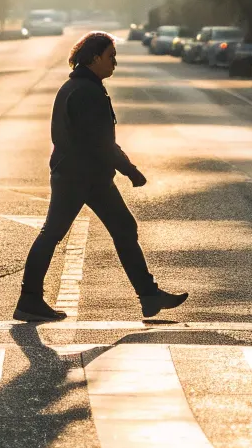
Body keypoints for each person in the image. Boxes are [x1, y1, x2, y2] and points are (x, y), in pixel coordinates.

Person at [16, 31, 188, 322]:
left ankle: (149, 296)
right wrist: (130, 170)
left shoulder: (82, 86)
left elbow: (98, 141)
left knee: (123, 227)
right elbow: (100, 142)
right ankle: (29, 299)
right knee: (53, 233)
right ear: (94, 58)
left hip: (86, 176)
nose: (114, 63)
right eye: (110, 57)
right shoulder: (86, 92)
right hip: (78, 177)